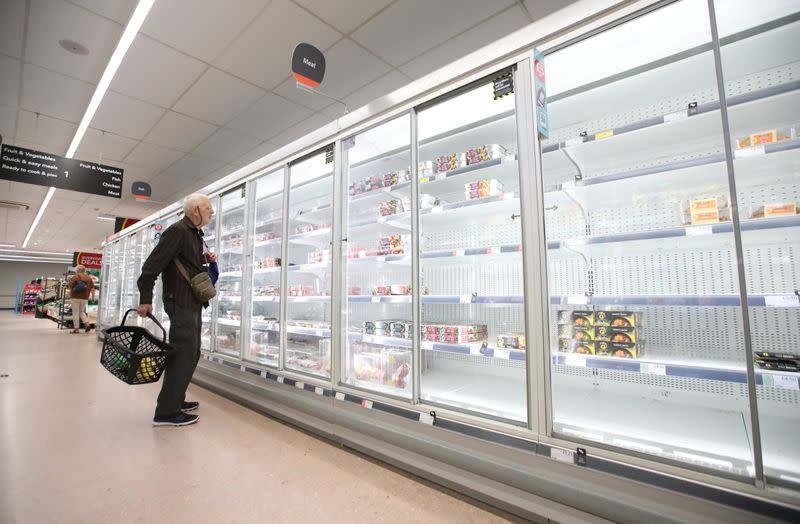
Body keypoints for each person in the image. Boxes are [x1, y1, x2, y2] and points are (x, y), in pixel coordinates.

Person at [137, 193, 216, 427]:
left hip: (192, 301)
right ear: (195, 211)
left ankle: (175, 399)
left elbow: (183, 262)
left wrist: (203, 259)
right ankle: (166, 413)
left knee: (191, 353)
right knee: (183, 353)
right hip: (180, 302)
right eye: (208, 208)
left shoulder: (193, 233)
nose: (211, 213)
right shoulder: (177, 231)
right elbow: (151, 267)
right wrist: (145, 298)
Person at [67, 265, 94, 334]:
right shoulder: (89, 278)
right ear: (84, 270)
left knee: (75, 312)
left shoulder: (75, 277)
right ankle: (87, 324)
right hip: (85, 297)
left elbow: (70, 286)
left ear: (77, 270)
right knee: (81, 312)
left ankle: (76, 329)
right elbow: (92, 289)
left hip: (75, 297)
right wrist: (93, 298)